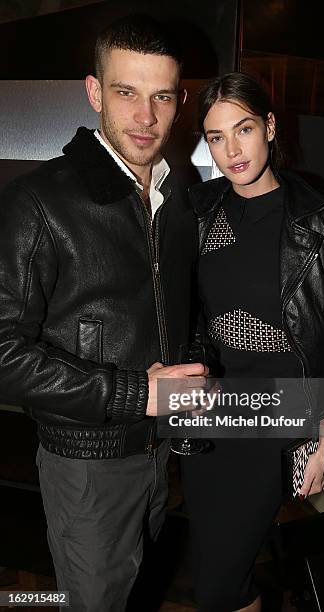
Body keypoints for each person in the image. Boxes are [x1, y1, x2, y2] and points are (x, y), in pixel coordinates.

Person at [0, 14, 207, 612]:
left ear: (179, 100)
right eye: (126, 93)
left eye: (160, 96)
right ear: (94, 93)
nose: (145, 118)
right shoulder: (38, 202)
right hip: (85, 461)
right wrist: (130, 396)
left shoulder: (178, 195)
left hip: (158, 453)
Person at [181, 72, 324, 612]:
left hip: (282, 414)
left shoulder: (321, 216)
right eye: (216, 137)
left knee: (218, 583)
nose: (231, 150)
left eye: (243, 129)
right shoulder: (200, 213)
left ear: (269, 126)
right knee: (220, 570)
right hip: (211, 414)